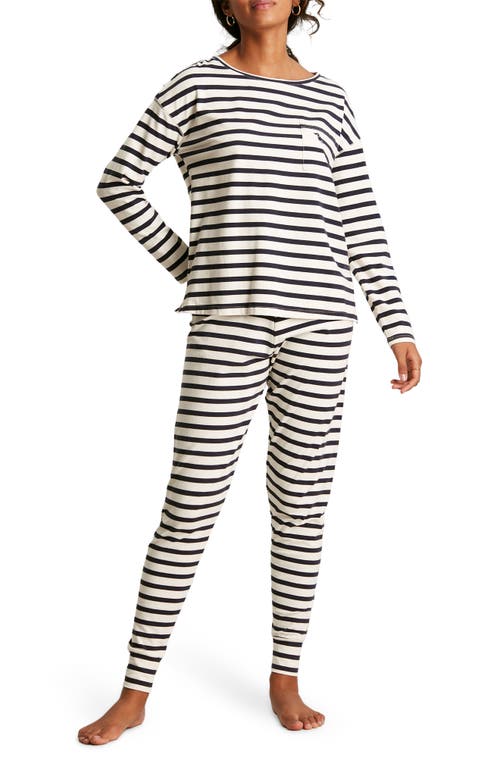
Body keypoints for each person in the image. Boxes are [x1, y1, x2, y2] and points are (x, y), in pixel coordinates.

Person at [78, 0, 422, 744]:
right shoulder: (193, 86)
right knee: (190, 505)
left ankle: (285, 676)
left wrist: (395, 323)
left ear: (300, 2)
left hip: (322, 324)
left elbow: (360, 218)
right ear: (226, 3)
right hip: (227, 325)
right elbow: (118, 182)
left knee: (301, 507)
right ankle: (135, 691)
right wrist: (194, 270)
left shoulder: (331, 100)